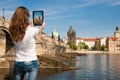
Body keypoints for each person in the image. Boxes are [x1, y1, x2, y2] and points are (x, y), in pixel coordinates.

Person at [9, 6, 46, 80]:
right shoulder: (32, 30)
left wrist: (30, 25)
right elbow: (38, 31)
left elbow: (23, 30)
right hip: (31, 62)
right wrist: (42, 26)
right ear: (26, 17)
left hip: (18, 62)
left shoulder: (12, 31)